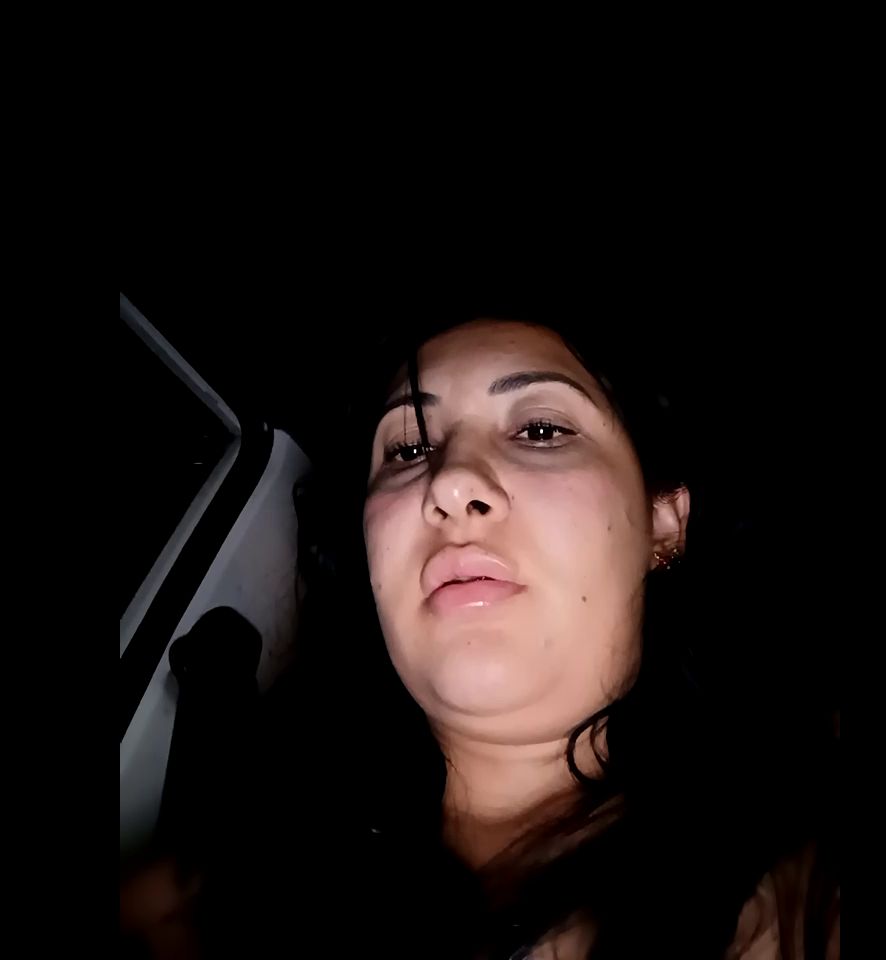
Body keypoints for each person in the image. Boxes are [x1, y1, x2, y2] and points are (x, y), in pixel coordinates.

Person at [194, 310, 837, 958]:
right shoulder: (212, 895)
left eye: (540, 430)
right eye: (409, 450)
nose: (450, 482)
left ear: (662, 523)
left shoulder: (798, 910)